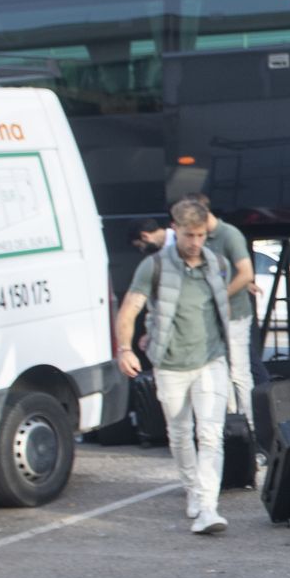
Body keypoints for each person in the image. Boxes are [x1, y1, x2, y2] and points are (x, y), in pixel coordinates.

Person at [114, 199, 235, 535]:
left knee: (210, 435)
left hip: (212, 359)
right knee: (180, 433)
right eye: (188, 235)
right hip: (170, 364)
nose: (195, 242)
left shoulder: (217, 263)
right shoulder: (152, 266)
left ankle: (208, 507)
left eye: (200, 235)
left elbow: (222, 310)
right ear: (174, 230)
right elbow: (129, 310)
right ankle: (194, 493)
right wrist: (125, 348)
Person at [186, 193, 258, 419]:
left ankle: (250, 427)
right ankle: (230, 424)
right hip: (212, 316)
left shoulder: (228, 235)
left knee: (239, 371)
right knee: (220, 372)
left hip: (234, 314)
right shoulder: (200, 238)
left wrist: (218, 296)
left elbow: (246, 273)